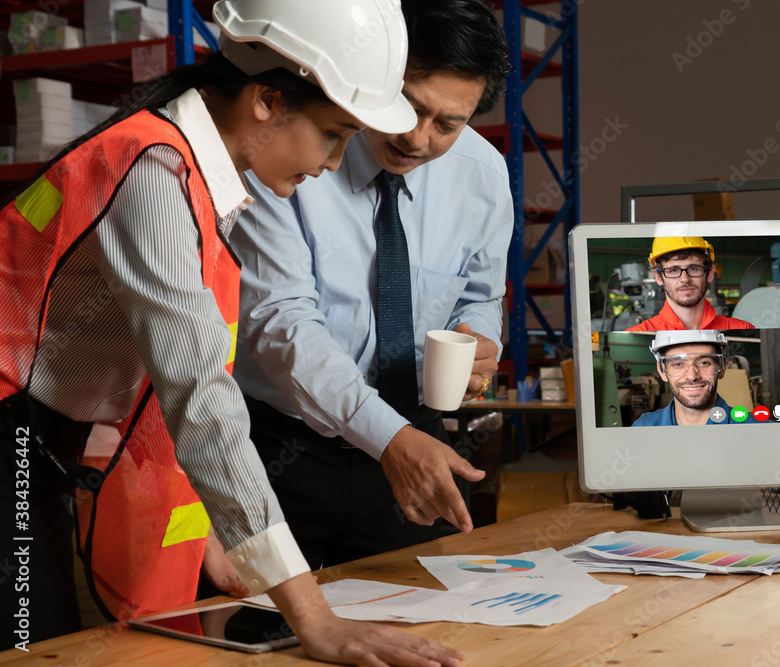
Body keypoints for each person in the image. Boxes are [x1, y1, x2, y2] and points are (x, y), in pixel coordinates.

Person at [0, 1, 464, 663]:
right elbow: (202, 401)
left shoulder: (193, 175)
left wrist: (224, 535)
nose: (334, 163)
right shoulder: (154, 175)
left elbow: (152, 384)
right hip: (15, 439)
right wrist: (314, 616)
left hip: (47, 444)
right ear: (268, 100)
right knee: (28, 645)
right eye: (333, 134)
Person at [230, 0, 512, 570]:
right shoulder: (292, 150)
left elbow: (481, 294)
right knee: (259, 639)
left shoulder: (482, 175)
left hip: (417, 444)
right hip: (283, 449)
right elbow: (282, 319)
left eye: (449, 124)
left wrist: (479, 339)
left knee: (405, 630)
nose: (419, 138)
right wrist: (388, 439)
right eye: (409, 107)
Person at [626, 236, 753, 332]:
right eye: (673, 270)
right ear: (659, 278)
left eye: (693, 269)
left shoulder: (742, 328)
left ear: (709, 273)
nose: (685, 279)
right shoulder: (639, 331)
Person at [632, 330, 740, 426]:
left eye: (704, 363)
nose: (692, 376)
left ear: (722, 367)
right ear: (662, 371)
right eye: (678, 364)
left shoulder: (751, 427)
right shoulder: (643, 426)